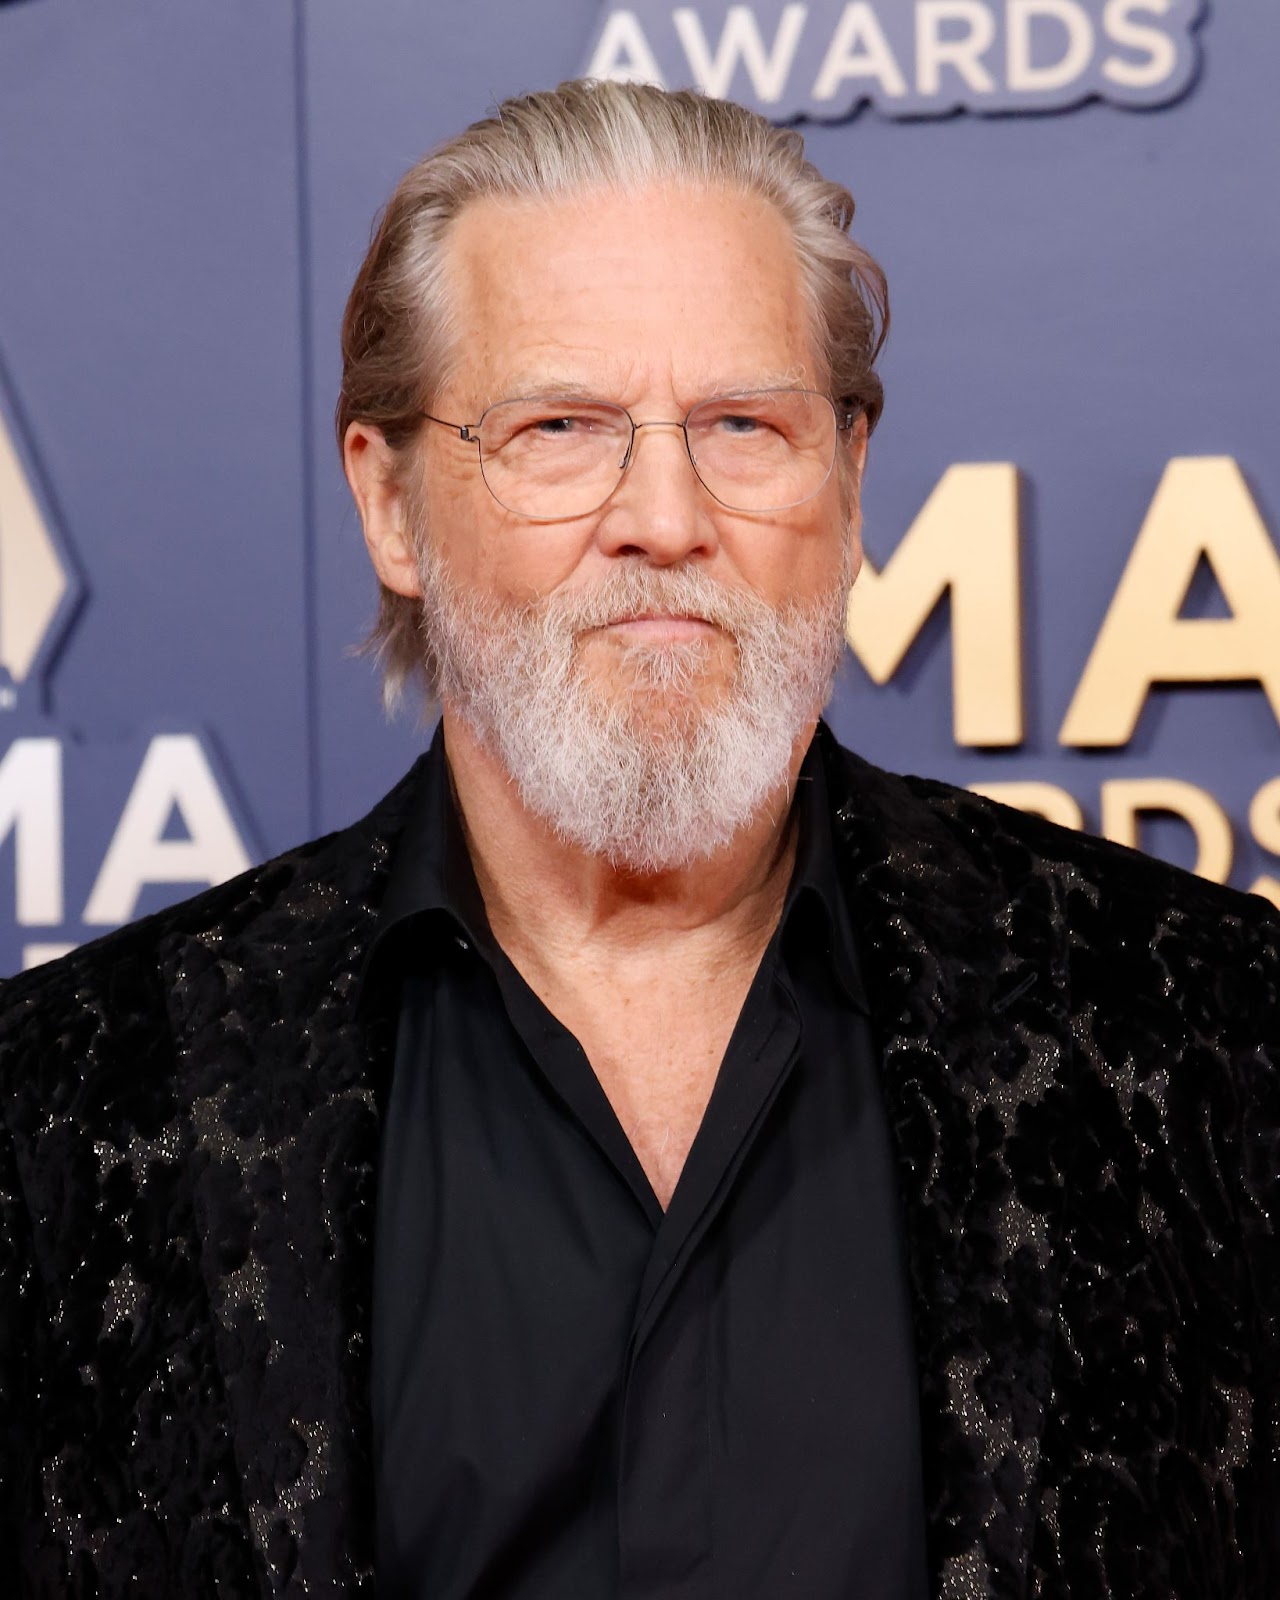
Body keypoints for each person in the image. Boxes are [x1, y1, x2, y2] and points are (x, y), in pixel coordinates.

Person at [0, 78, 1276, 1600]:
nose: (664, 514)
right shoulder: (66, 1109)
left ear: (850, 482)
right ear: (392, 504)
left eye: (744, 423)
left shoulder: (1209, 1024)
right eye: (561, 428)